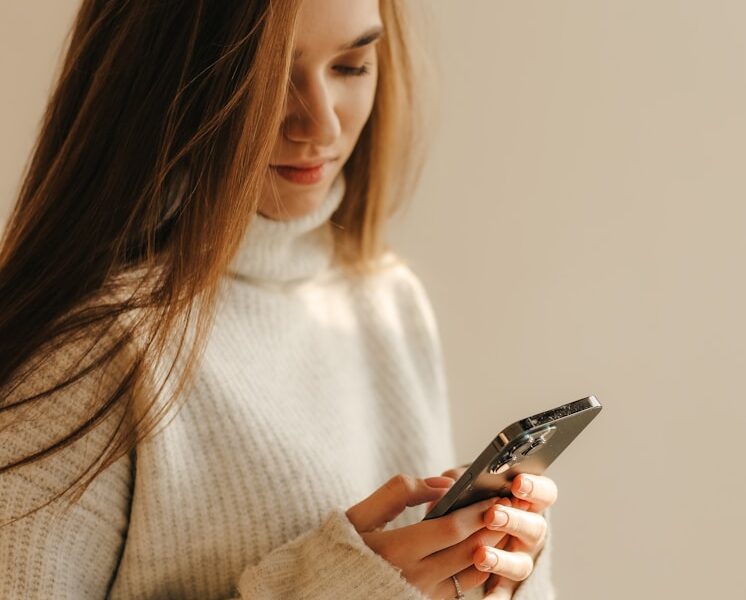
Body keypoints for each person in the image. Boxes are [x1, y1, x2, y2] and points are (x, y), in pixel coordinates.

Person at [0, 1, 558, 598]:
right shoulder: (88, 353)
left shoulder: (388, 301)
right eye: (266, 77)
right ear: (160, 74)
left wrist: (492, 570)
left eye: (351, 66)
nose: (320, 125)